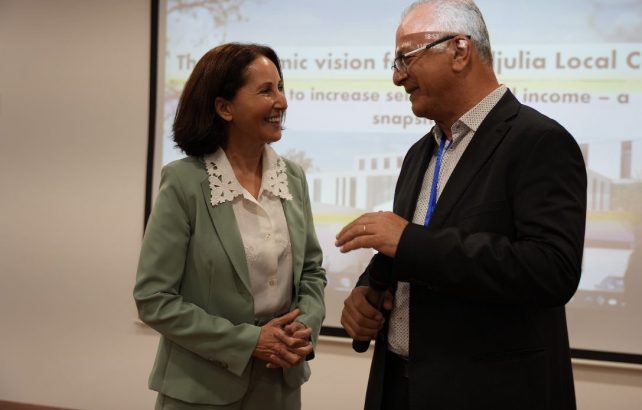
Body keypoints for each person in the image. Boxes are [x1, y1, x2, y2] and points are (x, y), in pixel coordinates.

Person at [335, 1, 587, 409]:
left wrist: (409, 242)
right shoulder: (420, 153)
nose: (398, 77)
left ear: (459, 50)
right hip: (398, 388)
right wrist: (370, 289)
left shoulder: (538, 141)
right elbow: (414, 249)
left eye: (406, 58)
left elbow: (551, 269)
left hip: (488, 393)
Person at [134, 43, 326, 410]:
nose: (282, 101)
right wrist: (249, 341)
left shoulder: (293, 178)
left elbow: (312, 272)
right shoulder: (184, 182)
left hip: (280, 382)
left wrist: (306, 326)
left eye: (280, 87)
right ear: (225, 108)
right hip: (200, 389)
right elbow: (154, 299)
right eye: (266, 90)